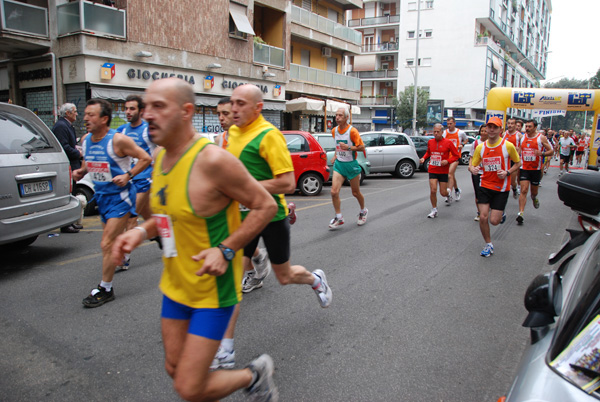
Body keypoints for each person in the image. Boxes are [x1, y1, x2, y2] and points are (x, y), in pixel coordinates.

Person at [111, 78, 279, 402]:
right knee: (175, 368)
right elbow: (169, 216)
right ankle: (250, 377)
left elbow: (266, 205)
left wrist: (226, 249)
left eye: (159, 106)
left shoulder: (213, 161)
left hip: (211, 292)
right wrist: (139, 231)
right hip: (175, 285)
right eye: (146, 107)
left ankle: (254, 374)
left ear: (186, 111)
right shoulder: (159, 158)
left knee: (188, 387)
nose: (147, 115)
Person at [212, 84, 333, 370]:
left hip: (271, 215)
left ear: (258, 107)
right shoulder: (230, 135)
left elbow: (287, 182)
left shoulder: (269, 135)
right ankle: (225, 351)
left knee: (285, 276)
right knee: (231, 284)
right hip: (241, 218)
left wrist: (243, 188)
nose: (234, 109)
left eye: (241, 104)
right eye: (232, 103)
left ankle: (316, 279)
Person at [72, 99, 152, 307]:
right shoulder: (87, 139)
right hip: (102, 197)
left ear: (104, 119)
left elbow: (145, 158)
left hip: (121, 197)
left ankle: (105, 288)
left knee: (106, 243)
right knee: (109, 245)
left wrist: (128, 175)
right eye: (85, 114)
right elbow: (89, 162)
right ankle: (148, 236)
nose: (85, 118)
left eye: (91, 115)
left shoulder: (118, 140)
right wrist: (81, 171)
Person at [216, 96, 296, 225]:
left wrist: (242, 187)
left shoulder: (266, 135)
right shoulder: (219, 140)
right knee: (243, 242)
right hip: (238, 209)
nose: (221, 118)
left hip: (269, 210)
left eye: (225, 113)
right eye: (218, 114)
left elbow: (288, 183)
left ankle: (287, 210)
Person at [468, 116, 521, 257]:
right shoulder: (481, 147)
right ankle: (488, 244)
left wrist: (507, 172)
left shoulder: (507, 146)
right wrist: (472, 169)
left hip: (501, 188)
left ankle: (500, 212)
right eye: (489, 126)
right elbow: (473, 164)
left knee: (494, 221)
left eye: (494, 127)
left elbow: (518, 163)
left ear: (500, 130)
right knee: (483, 217)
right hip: (484, 185)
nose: (491, 129)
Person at [116, 95, 157, 267]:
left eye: (132, 108)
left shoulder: (149, 130)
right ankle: (162, 234)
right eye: (126, 108)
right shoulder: (122, 131)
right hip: (129, 178)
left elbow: (162, 149)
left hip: (145, 179)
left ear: (141, 111)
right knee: (148, 215)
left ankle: (124, 256)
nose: (128, 112)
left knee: (131, 215)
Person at [328, 107, 368, 229]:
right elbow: (337, 145)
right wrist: (336, 155)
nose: (337, 117)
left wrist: (349, 148)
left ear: (346, 118)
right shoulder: (334, 131)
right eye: (336, 115)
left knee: (355, 192)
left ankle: (363, 211)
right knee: (334, 192)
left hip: (351, 165)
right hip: (339, 165)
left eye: (340, 115)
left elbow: (362, 147)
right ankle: (339, 217)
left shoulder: (352, 131)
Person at [516, 120, 553, 225]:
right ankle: (521, 213)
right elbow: (519, 150)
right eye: (526, 126)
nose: (527, 128)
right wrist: (517, 157)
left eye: (529, 126)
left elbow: (551, 151)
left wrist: (541, 153)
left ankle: (534, 198)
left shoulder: (541, 138)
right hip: (524, 168)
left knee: (533, 193)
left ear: (535, 127)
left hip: (536, 169)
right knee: (523, 190)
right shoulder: (522, 137)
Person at [53, 103, 83, 233]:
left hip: (73, 165)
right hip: (67, 166)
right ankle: (66, 224)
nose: (77, 114)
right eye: (74, 111)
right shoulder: (61, 126)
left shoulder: (67, 125)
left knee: (73, 193)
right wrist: (78, 153)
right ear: (68, 113)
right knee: (68, 195)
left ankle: (71, 222)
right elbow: (64, 147)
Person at [420, 123, 459, 218]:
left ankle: (448, 193)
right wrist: (424, 158)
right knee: (433, 190)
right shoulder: (430, 142)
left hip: (443, 171)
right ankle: (434, 209)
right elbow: (428, 152)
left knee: (443, 192)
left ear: (442, 132)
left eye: (438, 132)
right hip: (433, 169)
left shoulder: (448, 142)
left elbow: (456, 155)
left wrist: (448, 161)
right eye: (434, 132)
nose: (436, 133)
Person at [443, 117, 467, 202]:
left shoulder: (460, 132)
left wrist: (462, 145)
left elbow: (466, 139)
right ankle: (457, 190)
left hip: (455, 156)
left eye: (451, 123)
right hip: (447, 157)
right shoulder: (445, 133)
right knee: (451, 175)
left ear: (454, 123)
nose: (449, 125)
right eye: (448, 124)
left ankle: (449, 193)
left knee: (449, 174)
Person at [469, 125, 488, 221]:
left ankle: (486, 210)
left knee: (487, 192)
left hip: (488, 173)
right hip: (477, 171)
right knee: (478, 193)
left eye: (486, 131)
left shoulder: (492, 143)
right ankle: (479, 212)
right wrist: (471, 166)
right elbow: (471, 157)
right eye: (482, 131)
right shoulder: (475, 143)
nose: (484, 133)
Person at [503, 117, 522, 199]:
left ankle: (514, 188)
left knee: (512, 181)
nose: (510, 125)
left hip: (513, 160)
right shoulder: (504, 134)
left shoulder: (519, 135)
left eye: (512, 123)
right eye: (509, 123)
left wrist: (518, 153)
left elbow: (522, 146)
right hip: (505, 160)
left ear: (515, 125)